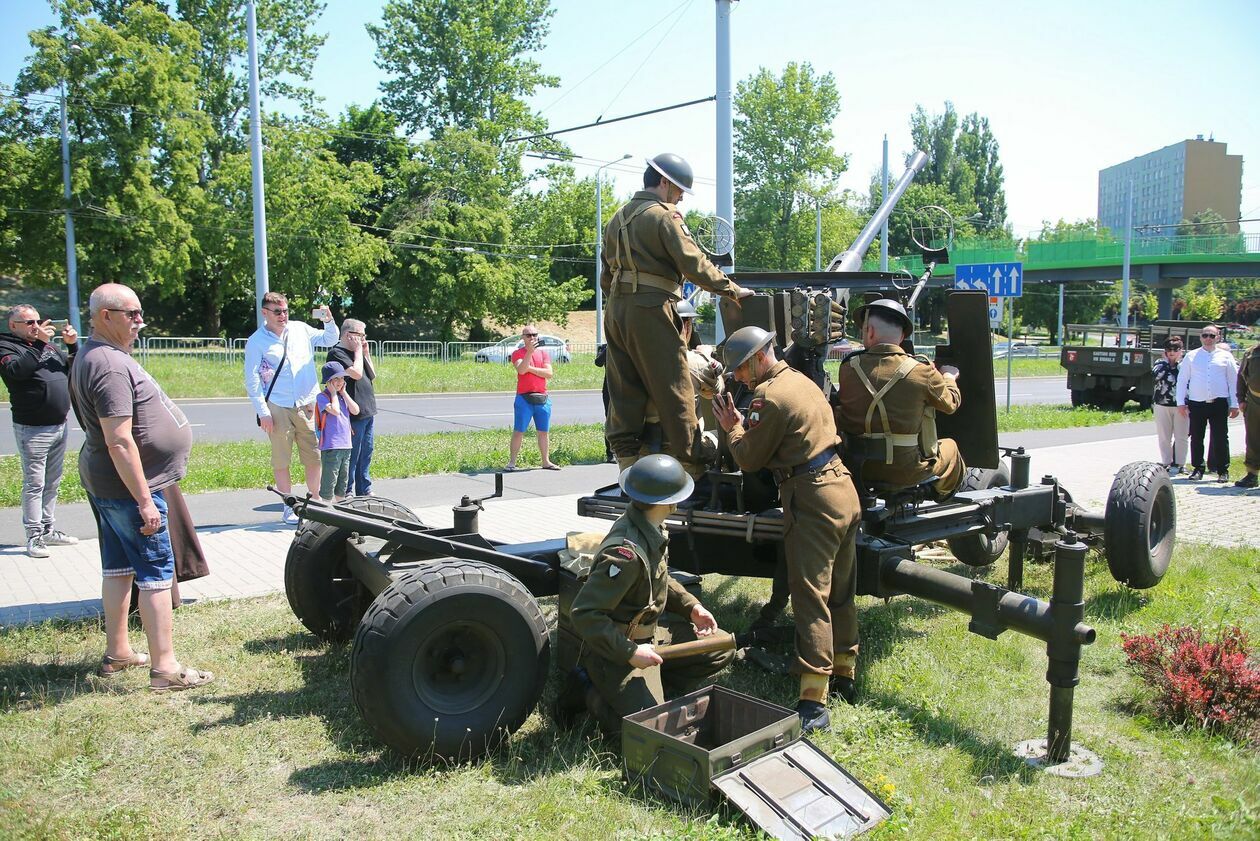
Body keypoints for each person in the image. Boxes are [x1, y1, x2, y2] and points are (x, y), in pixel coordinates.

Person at [712, 326, 861, 733]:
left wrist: (733, 427)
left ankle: (813, 699)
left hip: (812, 498)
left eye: (741, 369)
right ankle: (845, 672)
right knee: (842, 590)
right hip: (843, 490)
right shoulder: (800, 381)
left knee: (810, 594)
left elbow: (749, 459)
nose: (738, 378)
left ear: (760, 357)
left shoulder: (768, 398)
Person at [68, 283, 212, 692]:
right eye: (130, 314)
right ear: (104, 316)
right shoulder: (110, 366)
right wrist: (146, 500)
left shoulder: (94, 355)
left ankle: (118, 652)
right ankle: (165, 668)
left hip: (109, 484)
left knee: (118, 568)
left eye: (139, 313)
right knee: (154, 573)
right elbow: (119, 439)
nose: (139, 322)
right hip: (130, 489)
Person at [599, 152, 751, 477]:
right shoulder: (665, 216)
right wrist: (731, 289)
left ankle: (627, 462)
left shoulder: (616, 218)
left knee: (624, 386)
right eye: (679, 189)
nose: (680, 197)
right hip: (650, 308)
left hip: (616, 309)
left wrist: (619, 304)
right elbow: (692, 263)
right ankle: (690, 458)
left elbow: (605, 275)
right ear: (665, 183)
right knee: (675, 383)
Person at [565, 454, 733, 736]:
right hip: (616, 650)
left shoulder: (649, 524)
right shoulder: (625, 554)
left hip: (653, 636)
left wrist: (692, 608)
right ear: (667, 502)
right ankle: (588, 690)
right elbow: (584, 613)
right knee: (653, 733)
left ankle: (650, 679)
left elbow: (661, 578)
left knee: (721, 647)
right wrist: (630, 653)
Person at [835, 298, 965, 499]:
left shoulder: (847, 368)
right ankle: (935, 493)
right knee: (951, 448)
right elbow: (951, 404)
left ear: (869, 332)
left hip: (858, 469)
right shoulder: (921, 371)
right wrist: (948, 377)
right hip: (905, 471)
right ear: (903, 336)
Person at [243, 292, 339, 523]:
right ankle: (288, 505)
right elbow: (252, 379)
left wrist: (328, 320)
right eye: (277, 311)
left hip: (307, 402)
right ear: (264, 312)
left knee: (314, 454)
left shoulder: (300, 329)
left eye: (285, 310)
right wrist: (263, 412)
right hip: (278, 405)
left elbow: (330, 339)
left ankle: (315, 500)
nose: (283, 315)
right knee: (281, 459)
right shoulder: (257, 341)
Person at [1, 305, 80, 557]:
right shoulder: (7, 347)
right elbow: (16, 372)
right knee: (34, 484)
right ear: (14, 326)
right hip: (33, 428)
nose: (36, 326)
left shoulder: (48, 346)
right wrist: (39, 344)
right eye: (29, 323)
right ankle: (33, 536)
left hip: (58, 424)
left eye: (38, 321)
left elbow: (70, 370)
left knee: (53, 482)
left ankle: (47, 529)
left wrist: (71, 346)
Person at [1176, 324, 1240, 482]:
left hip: (1219, 403)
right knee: (1197, 437)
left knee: (1220, 437)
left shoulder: (1226, 356)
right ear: (1200, 337)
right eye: (1205, 335)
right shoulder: (1191, 356)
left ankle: (1222, 470)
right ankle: (1198, 468)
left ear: (1218, 337)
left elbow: (1233, 381)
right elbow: (1182, 380)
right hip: (1197, 403)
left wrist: (1235, 404)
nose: (1208, 338)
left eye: (1212, 336)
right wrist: (1180, 402)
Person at [326, 318, 376, 496]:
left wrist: (365, 353)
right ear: (348, 335)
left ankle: (364, 489)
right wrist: (357, 352)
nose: (363, 339)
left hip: (367, 409)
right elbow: (355, 373)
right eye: (360, 335)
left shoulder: (358, 353)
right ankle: (346, 492)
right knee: (352, 455)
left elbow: (372, 374)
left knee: (366, 452)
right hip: (352, 413)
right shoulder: (337, 353)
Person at [506, 325, 560, 471]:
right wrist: (529, 354)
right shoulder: (517, 353)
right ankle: (512, 462)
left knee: (543, 431)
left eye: (534, 335)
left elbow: (549, 373)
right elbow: (521, 370)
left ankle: (546, 461)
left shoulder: (543, 354)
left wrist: (531, 369)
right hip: (524, 398)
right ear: (522, 338)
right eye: (528, 335)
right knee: (519, 431)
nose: (532, 338)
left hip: (542, 397)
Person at [315, 361, 359, 501]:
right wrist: (333, 393)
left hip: (346, 445)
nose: (340, 381)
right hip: (331, 447)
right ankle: (326, 510)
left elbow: (356, 410)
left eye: (342, 378)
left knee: (342, 483)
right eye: (336, 379)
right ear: (328, 381)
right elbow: (335, 411)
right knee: (329, 482)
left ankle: (340, 508)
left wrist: (344, 393)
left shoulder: (341, 396)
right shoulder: (323, 397)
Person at [1151, 337, 1189, 475]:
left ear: (1181, 351)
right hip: (1162, 404)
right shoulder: (1160, 363)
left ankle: (1180, 464)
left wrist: (1178, 364)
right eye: (1169, 350)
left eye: (1175, 349)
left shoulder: (1185, 364)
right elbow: (1156, 375)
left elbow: (1187, 378)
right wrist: (1168, 363)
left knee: (1181, 436)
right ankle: (1166, 462)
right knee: (1164, 436)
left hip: (1181, 406)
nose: (1172, 352)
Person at [1236, 339, 1260, 489]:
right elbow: (1241, 377)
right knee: (1253, 439)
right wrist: (1241, 399)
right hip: (1253, 401)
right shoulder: (1251, 353)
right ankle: (1252, 475)